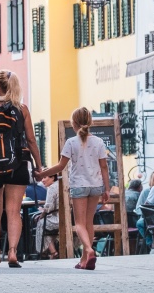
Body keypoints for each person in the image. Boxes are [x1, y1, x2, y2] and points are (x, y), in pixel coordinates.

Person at [0, 69, 43, 268]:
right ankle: (13, 251)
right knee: (14, 211)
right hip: (19, 164)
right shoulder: (22, 109)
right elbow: (31, 140)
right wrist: (39, 165)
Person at [35, 107, 112, 270]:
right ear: (90, 122)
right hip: (96, 185)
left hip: (79, 186)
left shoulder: (71, 142)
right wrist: (107, 188)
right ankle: (84, 260)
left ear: (74, 124)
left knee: (79, 224)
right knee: (88, 223)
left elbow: (60, 166)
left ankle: (89, 251)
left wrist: (42, 174)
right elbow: (104, 167)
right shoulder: (99, 142)